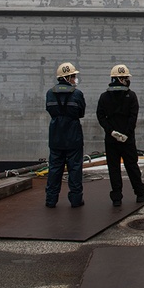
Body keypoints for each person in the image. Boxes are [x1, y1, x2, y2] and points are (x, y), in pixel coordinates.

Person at [97, 64, 144, 206]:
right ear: (120, 79)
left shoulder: (104, 97)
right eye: (125, 78)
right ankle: (140, 193)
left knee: (113, 168)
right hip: (127, 140)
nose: (127, 80)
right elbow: (133, 117)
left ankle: (116, 198)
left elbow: (100, 116)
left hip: (111, 139)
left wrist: (111, 131)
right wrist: (125, 134)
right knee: (132, 166)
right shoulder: (131, 96)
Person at [45, 62, 86, 208]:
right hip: (73, 135)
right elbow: (81, 113)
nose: (75, 79)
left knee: (55, 168)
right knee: (75, 169)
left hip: (56, 135)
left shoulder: (50, 93)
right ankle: (76, 200)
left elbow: (49, 110)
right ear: (68, 77)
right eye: (74, 76)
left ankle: (51, 200)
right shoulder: (77, 94)